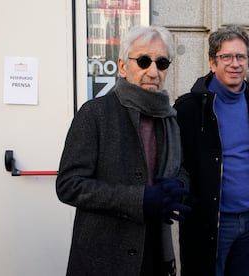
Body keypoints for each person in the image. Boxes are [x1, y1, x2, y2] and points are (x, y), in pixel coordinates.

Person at [56, 25, 191, 276]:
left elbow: (179, 167)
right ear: (122, 66)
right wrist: (139, 199)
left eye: (162, 63)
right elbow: (68, 185)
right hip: (105, 258)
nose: (153, 71)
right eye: (143, 61)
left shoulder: (169, 117)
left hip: (156, 252)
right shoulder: (95, 113)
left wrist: (180, 186)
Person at [174, 25, 249, 276]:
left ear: (248, 62)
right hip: (212, 222)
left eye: (240, 57)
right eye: (226, 57)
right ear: (213, 62)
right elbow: (175, 163)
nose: (234, 63)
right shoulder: (190, 108)